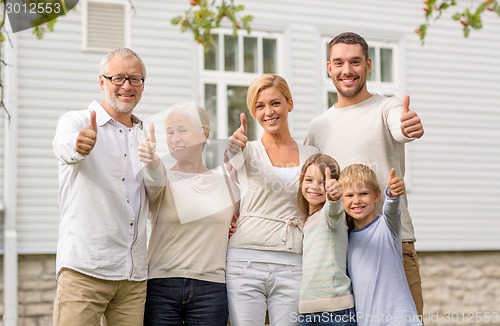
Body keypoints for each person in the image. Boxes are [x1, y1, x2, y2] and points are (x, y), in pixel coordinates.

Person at [304, 31, 425, 317]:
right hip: (340, 251)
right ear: (329, 67)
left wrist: (408, 127)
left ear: (368, 65)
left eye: (355, 62)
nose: (347, 70)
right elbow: (309, 190)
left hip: (393, 243)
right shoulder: (318, 127)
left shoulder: (387, 107)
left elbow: (400, 126)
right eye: (339, 62)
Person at [52, 48, 149, 325]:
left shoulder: (146, 135)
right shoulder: (77, 122)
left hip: (133, 278)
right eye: (118, 78)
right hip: (85, 270)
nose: (127, 86)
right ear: (102, 82)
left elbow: (165, 192)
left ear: (143, 85)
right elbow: (64, 146)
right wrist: (78, 146)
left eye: (135, 79)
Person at [226, 74, 319, 325]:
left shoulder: (312, 155)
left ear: (290, 103)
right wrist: (232, 149)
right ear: (253, 112)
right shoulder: (244, 150)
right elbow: (227, 179)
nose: (269, 112)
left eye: (275, 103)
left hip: (293, 262)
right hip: (244, 262)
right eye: (260, 106)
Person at [138, 102, 239, 325]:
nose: (175, 138)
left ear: (203, 134)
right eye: (170, 132)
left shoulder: (228, 185)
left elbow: (244, 223)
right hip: (161, 287)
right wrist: (150, 159)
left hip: (211, 289)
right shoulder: (162, 177)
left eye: (182, 130)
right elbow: (153, 177)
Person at [339, 164, 422, 326]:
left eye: (363, 193)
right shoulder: (346, 239)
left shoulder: (387, 226)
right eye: (349, 195)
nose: (357, 200)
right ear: (341, 200)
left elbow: (392, 209)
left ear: (376, 196)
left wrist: (392, 194)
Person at [296, 153, 357, 326]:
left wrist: (334, 197)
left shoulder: (331, 217)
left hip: (335, 312)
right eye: (309, 180)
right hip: (308, 312)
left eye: (322, 182)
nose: (315, 187)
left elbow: (333, 210)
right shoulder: (307, 221)